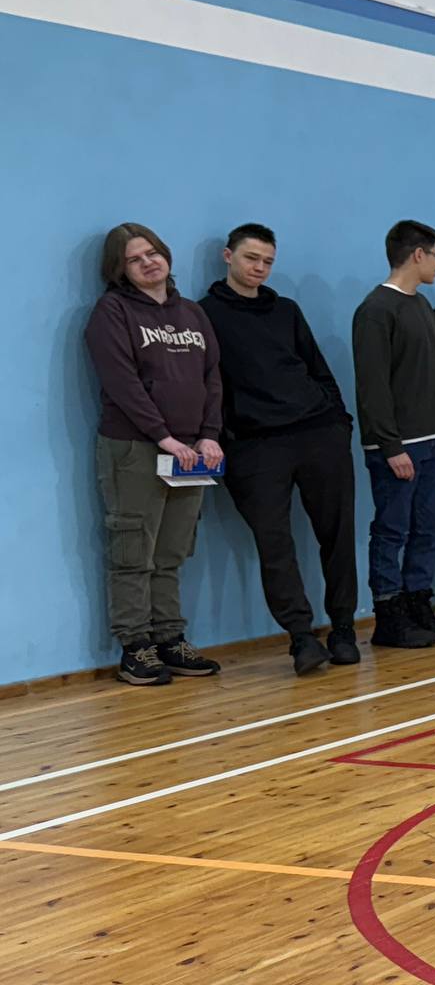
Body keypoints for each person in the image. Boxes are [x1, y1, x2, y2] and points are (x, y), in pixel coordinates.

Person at [202, 222, 360, 675]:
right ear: (228, 256)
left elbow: (318, 369)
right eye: (252, 258)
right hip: (254, 446)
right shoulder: (204, 315)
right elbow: (207, 384)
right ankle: (301, 638)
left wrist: (338, 423)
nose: (260, 268)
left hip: (318, 433)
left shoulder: (286, 310)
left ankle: (344, 628)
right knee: (275, 544)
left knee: (337, 534)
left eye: (268, 261)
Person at [85, 223, 225, 686]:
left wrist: (208, 434)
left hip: (192, 452)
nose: (148, 262)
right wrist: (163, 436)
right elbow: (121, 383)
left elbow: (212, 378)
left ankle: (170, 637)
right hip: (135, 449)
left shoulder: (192, 314)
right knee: (133, 551)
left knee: (172, 552)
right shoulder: (113, 311)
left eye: (153, 253)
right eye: (134, 258)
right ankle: (136, 646)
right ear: (119, 269)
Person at [353, 220, 435, 649]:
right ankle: (389, 614)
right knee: (392, 529)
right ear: (418, 254)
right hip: (398, 446)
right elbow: (372, 386)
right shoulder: (376, 310)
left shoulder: (421, 306)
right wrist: (389, 445)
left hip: (434, 439)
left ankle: (420, 603)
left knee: (429, 526)